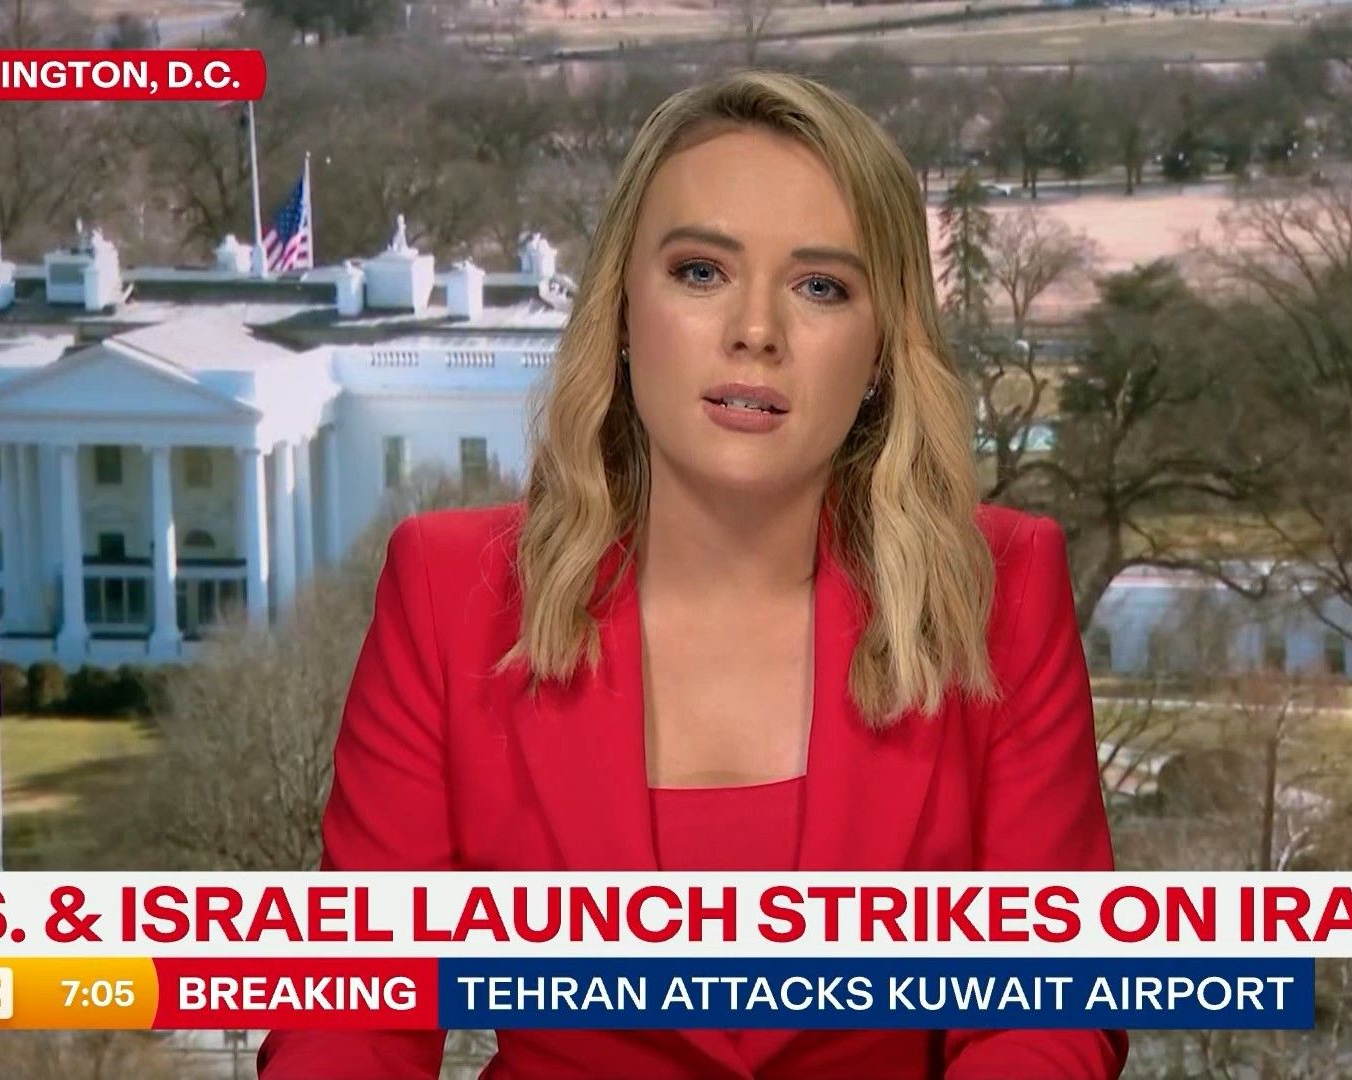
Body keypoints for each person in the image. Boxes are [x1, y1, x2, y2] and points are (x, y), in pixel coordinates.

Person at [258, 70, 1126, 1080]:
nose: (756, 331)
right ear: (624, 311)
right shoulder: (447, 593)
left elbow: (1048, 1008)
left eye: (821, 287)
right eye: (701, 271)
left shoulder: (1002, 592)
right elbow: (351, 1017)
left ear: (884, 348)